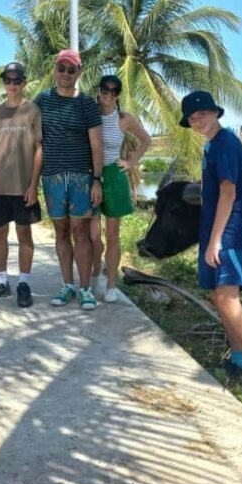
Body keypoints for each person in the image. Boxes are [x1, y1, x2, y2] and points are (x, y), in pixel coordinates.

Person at [180, 90, 242, 394]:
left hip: (228, 233)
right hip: (216, 232)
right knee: (220, 299)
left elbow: (229, 193)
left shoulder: (227, 144)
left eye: (202, 114)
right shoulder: (212, 145)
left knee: (229, 300)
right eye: (192, 118)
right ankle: (238, 360)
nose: (197, 120)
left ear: (215, 113)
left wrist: (216, 240)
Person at [36, 49, 104, 311]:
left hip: (80, 178)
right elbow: (21, 119)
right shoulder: (42, 100)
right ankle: (67, 285)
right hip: (52, 177)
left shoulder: (87, 104)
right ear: (55, 70)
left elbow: (96, 144)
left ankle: (86, 288)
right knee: (61, 231)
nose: (65, 74)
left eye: (71, 69)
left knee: (81, 231)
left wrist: (96, 180)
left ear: (79, 72)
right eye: (61, 68)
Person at [0, 62, 42, 308]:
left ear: (24, 83)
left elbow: (39, 149)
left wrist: (33, 186)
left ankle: (23, 283)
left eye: (17, 81)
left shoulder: (33, 110)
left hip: (23, 186)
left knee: (24, 234)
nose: (12, 85)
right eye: (8, 80)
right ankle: (1, 281)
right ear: (3, 83)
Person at [89, 75, 151, 303]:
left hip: (114, 175)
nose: (108, 94)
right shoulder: (90, 112)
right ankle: (95, 273)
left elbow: (146, 140)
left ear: (118, 95)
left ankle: (111, 284)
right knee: (94, 236)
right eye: (104, 89)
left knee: (113, 235)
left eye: (113, 91)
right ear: (99, 90)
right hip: (91, 175)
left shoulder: (124, 119)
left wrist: (131, 162)